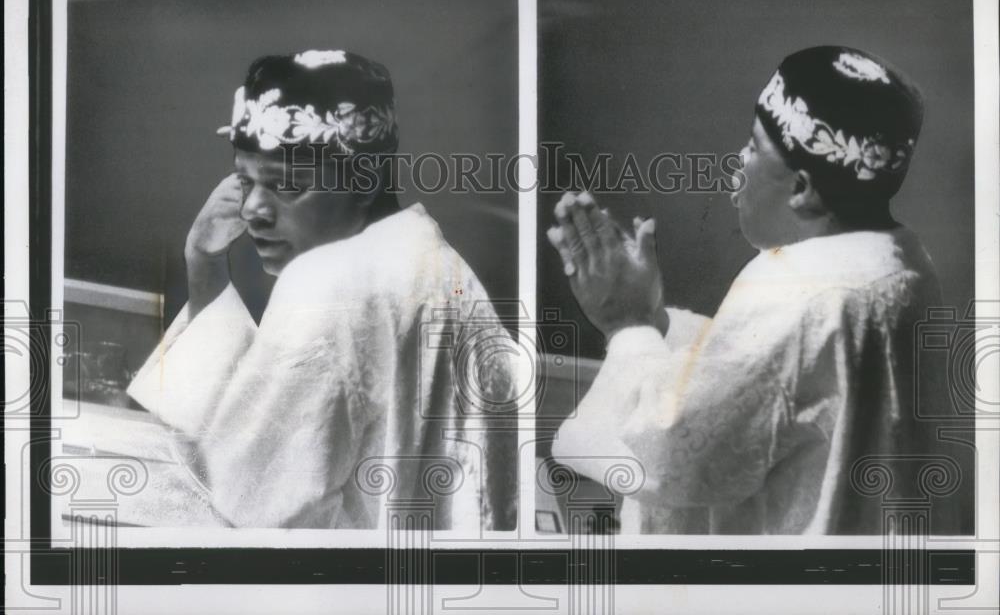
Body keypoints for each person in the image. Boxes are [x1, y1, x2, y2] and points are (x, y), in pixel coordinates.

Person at [548, 46, 970, 534]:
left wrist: (628, 327)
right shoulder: (903, 268)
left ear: (800, 189)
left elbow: (664, 457)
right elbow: (783, 376)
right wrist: (659, 322)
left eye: (753, 146)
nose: (738, 161)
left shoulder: (798, 291)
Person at [127, 49, 517, 530]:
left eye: (287, 185)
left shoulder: (328, 283)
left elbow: (243, 498)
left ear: (366, 180)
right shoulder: (443, 269)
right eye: (245, 181)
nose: (253, 211)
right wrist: (205, 264)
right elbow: (258, 441)